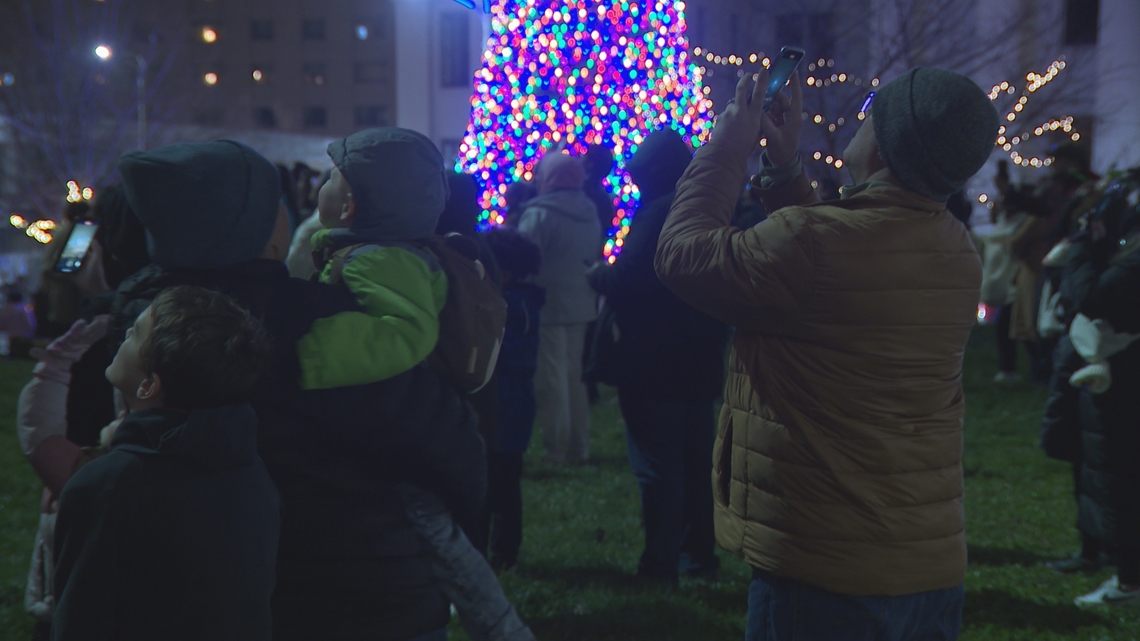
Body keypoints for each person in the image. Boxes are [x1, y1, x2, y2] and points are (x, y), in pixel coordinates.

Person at [654, 67, 998, 640]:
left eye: (870, 111)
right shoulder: (954, 248)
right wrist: (787, 171)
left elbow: (684, 256)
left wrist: (725, 150)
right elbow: (830, 273)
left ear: (885, 145)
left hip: (825, 566)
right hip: (924, 562)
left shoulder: (816, 248)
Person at [102, 138, 492, 641]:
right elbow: (448, 443)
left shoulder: (132, 329)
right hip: (356, 596)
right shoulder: (321, 327)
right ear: (260, 227)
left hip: (188, 601)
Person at [51, 286, 280, 641]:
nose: (126, 332)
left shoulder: (106, 487)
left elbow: (82, 618)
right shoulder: (250, 472)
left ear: (148, 385)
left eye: (137, 332)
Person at [587, 129, 729, 586]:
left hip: (652, 360)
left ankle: (660, 565)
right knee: (692, 464)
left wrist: (598, 276)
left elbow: (628, 279)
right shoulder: (707, 210)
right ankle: (698, 557)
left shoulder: (655, 214)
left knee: (659, 467)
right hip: (698, 356)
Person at [297, 127, 450, 390]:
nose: (322, 186)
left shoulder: (378, 260)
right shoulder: (379, 253)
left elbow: (409, 331)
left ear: (348, 206)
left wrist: (314, 352)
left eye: (331, 178)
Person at [1063, 179, 1140, 607]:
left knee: (1126, 479)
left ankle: (1130, 582)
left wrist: (1082, 247)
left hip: (1128, 388)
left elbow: (1093, 296)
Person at [518, 152, 600, 464]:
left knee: (551, 379)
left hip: (547, 304)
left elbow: (525, 259)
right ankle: (580, 446)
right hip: (580, 302)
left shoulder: (539, 214)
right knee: (574, 376)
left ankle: (557, 448)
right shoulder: (589, 209)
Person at [481, 226, 545, 570]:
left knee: (501, 485)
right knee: (504, 484)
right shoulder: (521, 303)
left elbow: (508, 356)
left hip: (506, 408)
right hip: (512, 407)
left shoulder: (512, 308)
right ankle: (503, 550)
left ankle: (504, 553)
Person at [582, 144, 617, 239]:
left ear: (590, 164)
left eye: (585, 155)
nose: (581, 158)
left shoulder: (576, 192)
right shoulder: (605, 201)